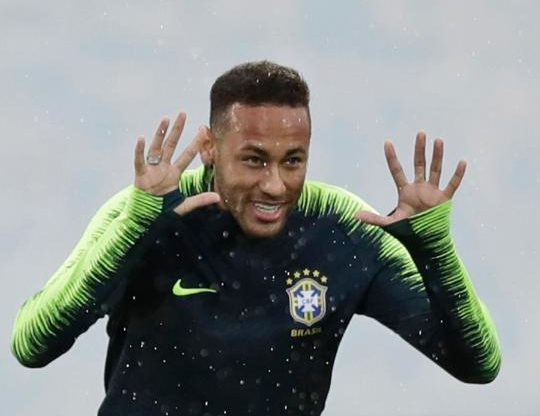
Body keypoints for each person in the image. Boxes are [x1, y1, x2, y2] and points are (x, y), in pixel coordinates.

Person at [11, 60, 501, 416]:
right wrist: (135, 230)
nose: (274, 185)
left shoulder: (345, 229)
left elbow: (478, 365)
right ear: (210, 147)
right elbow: (33, 344)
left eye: (292, 161)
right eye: (254, 159)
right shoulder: (144, 214)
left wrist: (435, 250)